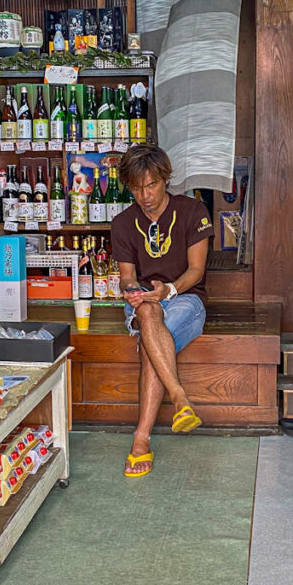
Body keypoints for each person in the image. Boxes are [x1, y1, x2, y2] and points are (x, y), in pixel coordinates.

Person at [111, 144, 214, 478]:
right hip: (145, 306)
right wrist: (131, 290)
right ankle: (180, 400)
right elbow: (128, 276)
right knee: (149, 316)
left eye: (151, 185)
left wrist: (167, 290)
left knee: (151, 341)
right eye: (137, 188)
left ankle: (141, 441)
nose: (145, 195)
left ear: (165, 179)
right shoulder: (123, 223)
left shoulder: (193, 211)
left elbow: (196, 270)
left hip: (187, 300)